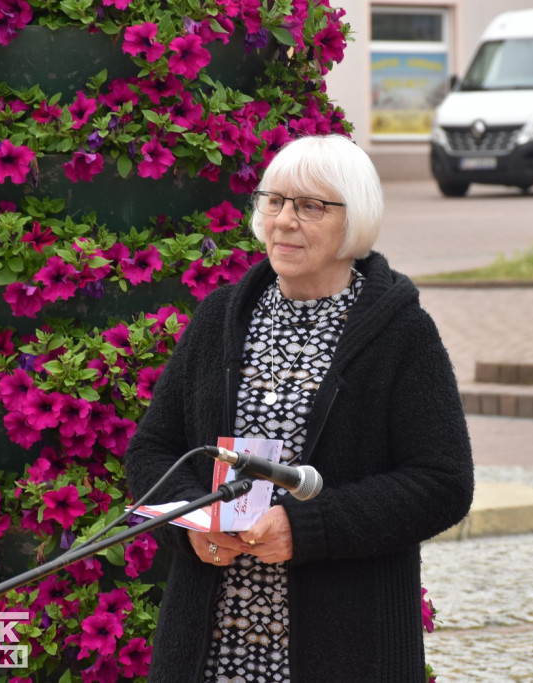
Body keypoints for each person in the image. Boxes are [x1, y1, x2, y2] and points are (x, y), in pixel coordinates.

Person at [124, 134, 475, 682]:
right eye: (274, 201)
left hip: (345, 643)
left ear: (353, 221)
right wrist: (192, 520)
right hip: (211, 645)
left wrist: (309, 528)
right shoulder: (220, 318)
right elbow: (153, 449)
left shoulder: (401, 334)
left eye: (311, 206)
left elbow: (442, 482)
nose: (284, 221)